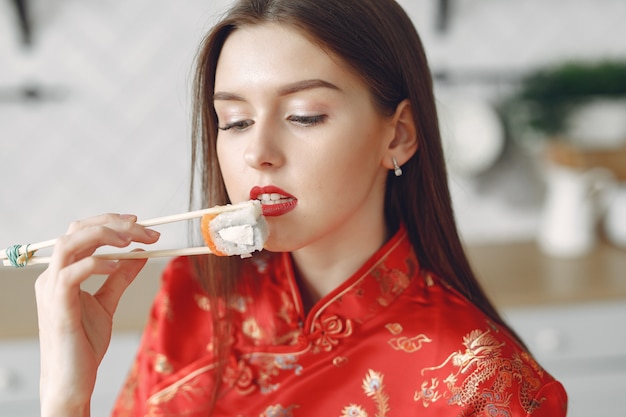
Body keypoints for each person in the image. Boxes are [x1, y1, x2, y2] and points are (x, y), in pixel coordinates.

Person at [34, 0, 568, 416]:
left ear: (398, 135)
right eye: (235, 121)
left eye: (305, 115)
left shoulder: (480, 380)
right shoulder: (194, 293)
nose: (257, 154)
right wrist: (66, 397)